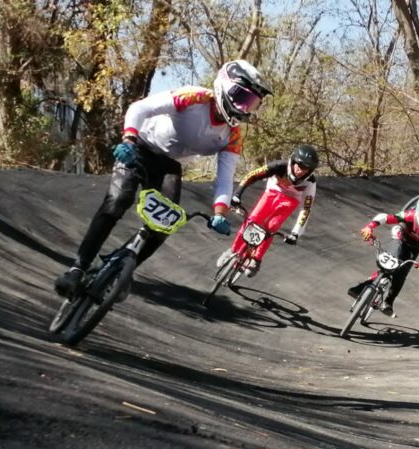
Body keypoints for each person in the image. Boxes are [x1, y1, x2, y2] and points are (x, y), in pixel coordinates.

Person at [54, 60, 273, 297]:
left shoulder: (233, 135)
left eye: (251, 103)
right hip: (139, 147)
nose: (243, 108)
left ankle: (120, 273)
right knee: (117, 201)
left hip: (169, 166)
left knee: (165, 224)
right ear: (223, 85)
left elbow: (224, 179)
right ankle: (77, 268)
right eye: (240, 97)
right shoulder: (194, 97)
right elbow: (140, 108)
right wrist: (129, 138)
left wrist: (220, 212)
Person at [215, 145, 319, 277]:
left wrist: (296, 232)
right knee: (252, 220)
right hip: (272, 192)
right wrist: (237, 195)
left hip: (290, 201)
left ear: (310, 171)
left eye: (305, 168)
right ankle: (233, 250)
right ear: (292, 161)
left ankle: (256, 260)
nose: (300, 170)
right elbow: (252, 175)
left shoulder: (310, 182)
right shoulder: (278, 166)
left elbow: (306, 208)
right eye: (299, 165)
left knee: (271, 227)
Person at [346, 193, 419, 317]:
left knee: (401, 275)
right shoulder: (409, 215)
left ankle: (388, 302)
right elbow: (386, 218)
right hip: (400, 238)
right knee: (391, 263)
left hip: (414, 248)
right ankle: (362, 287)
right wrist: (369, 227)